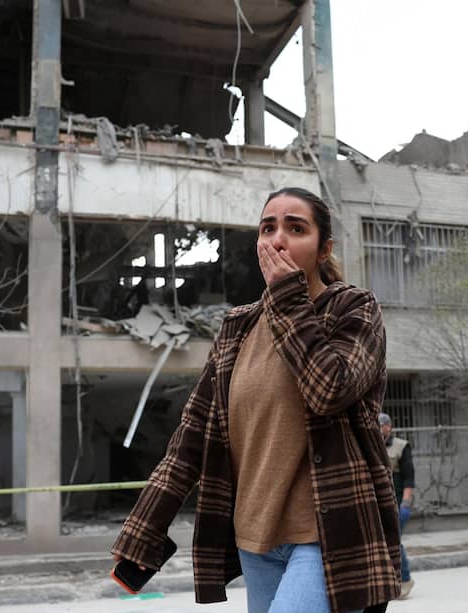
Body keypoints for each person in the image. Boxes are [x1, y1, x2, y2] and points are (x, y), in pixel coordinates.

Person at [112, 187, 401, 613]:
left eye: (295, 228)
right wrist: (144, 532)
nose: (278, 238)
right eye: (268, 228)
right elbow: (192, 437)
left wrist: (288, 295)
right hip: (255, 541)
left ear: (324, 249)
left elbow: (330, 390)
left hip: (328, 536)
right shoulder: (238, 327)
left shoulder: (353, 309)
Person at [378, 412, 415, 598]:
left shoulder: (401, 446)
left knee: (394, 541)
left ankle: (405, 580)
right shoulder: (373, 446)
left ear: (389, 427)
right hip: (379, 505)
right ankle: (392, 581)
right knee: (386, 542)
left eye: (382, 424)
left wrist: (406, 505)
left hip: (398, 503)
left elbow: (409, 479)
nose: (379, 427)